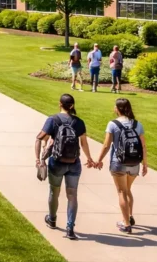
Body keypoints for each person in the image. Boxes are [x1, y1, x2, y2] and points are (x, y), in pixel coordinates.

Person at [34, 93, 97, 240]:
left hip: (56, 162)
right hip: (74, 163)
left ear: (59, 104)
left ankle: (52, 219)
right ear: (73, 106)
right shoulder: (79, 122)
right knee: (72, 195)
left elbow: (39, 138)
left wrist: (38, 159)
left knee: (54, 192)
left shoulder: (53, 120)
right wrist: (89, 158)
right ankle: (70, 228)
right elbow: (84, 143)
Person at [95, 98, 148, 233]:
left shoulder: (113, 124)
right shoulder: (137, 124)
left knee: (121, 192)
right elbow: (143, 145)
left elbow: (107, 145)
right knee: (127, 190)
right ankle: (129, 216)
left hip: (118, 162)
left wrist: (99, 159)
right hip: (134, 163)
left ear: (117, 109)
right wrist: (145, 163)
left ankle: (126, 224)